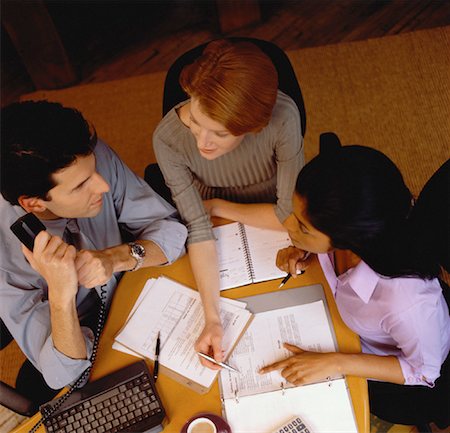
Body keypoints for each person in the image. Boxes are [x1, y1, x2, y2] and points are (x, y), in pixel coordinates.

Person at [0, 101, 187, 400]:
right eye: (81, 186)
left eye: (95, 171)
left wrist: (115, 257)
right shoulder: (3, 257)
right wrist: (61, 295)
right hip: (85, 337)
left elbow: (172, 230)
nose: (102, 185)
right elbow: (62, 373)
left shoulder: (88, 158)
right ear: (34, 204)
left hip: (135, 294)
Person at [260, 134, 450, 428]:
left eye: (302, 226)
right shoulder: (351, 226)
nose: (286, 225)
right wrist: (306, 247)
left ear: (351, 238)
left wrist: (335, 363)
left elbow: (425, 372)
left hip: (400, 376)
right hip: (350, 326)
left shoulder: (406, 302)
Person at [151, 39, 304, 368]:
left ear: (253, 128)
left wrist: (219, 205)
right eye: (194, 120)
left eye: (218, 133)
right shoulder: (167, 139)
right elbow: (198, 228)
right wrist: (212, 320)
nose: (202, 142)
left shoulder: (282, 117)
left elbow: (290, 214)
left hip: (266, 214)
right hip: (215, 226)